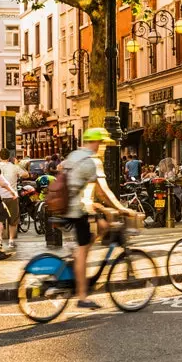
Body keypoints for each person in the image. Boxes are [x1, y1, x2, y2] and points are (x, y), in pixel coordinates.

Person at [62, 128, 134, 309]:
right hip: (75, 211)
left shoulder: (74, 154)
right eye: (101, 144)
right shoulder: (91, 161)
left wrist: (97, 206)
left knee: (102, 226)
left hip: (67, 206)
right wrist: (121, 208)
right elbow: (103, 191)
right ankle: (83, 297)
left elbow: (71, 179)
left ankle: (76, 261)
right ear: (95, 143)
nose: (102, 148)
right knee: (83, 252)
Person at [0, 148, 29, 248]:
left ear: (0, 156)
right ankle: (11, 240)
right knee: (13, 221)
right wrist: (18, 164)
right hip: (12, 196)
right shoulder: (14, 167)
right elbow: (26, 175)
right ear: (9, 157)